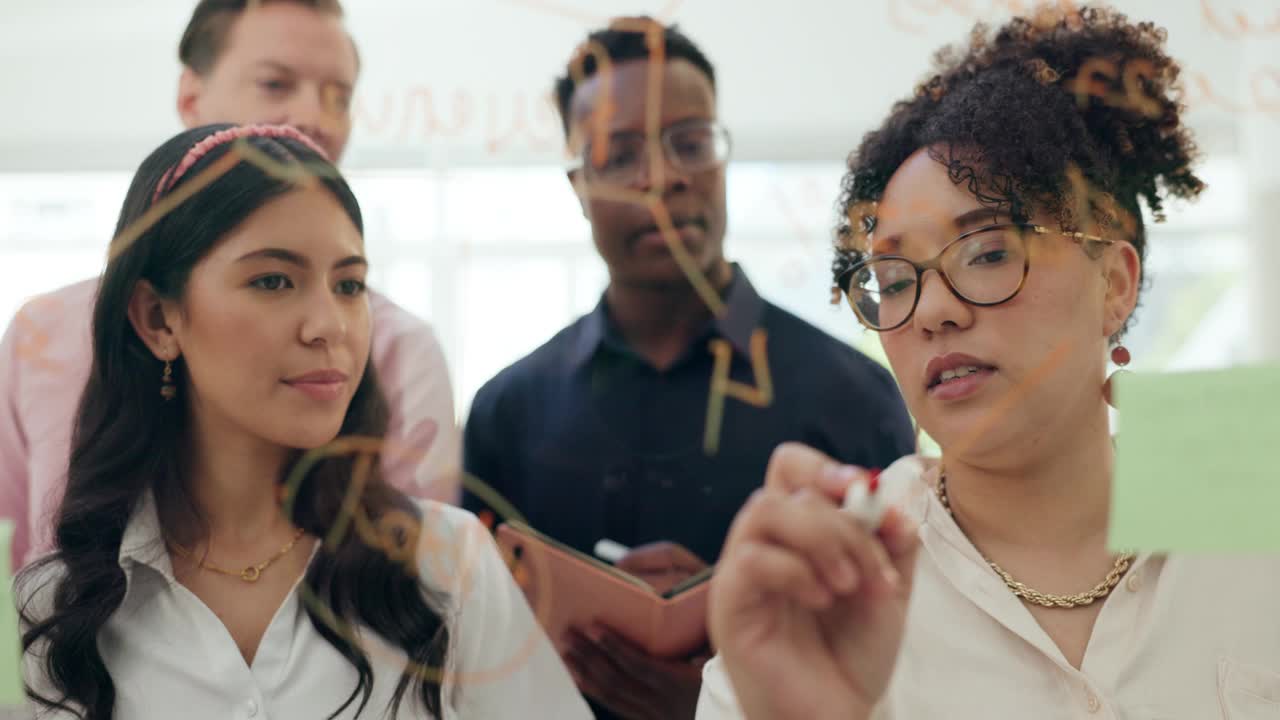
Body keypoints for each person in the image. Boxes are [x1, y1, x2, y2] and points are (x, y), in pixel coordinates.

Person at [697, 6, 1280, 719]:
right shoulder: (823, 604)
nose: (934, 310)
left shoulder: (1253, 513)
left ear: (1115, 284)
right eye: (897, 282)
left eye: (989, 253)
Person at [14, 123, 591, 720]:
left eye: (349, 285)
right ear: (159, 318)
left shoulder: (450, 566)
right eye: (273, 281)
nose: (330, 325)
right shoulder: (44, 613)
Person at [462, 18, 915, 720]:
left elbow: (912, 646)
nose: (663, 177)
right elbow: (470, 654)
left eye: (691, 143)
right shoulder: (508, 412)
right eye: (619, 155)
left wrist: (728, 694)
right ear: (580, 187)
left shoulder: (855, 396)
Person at [0, 0, 461, 572]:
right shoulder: (40, 336)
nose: (314, 117)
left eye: (339, 96)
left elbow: (426, 586)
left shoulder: (399, 348)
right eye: (275, 83)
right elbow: (15, 563)